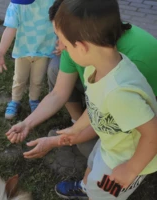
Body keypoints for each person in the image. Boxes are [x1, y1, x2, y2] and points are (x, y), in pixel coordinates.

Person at [5, 0, 157, 159]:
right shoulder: (96, 43)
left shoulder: (124, 78)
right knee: (55, 69)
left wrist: (59, 140)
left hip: (140, 119)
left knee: (93, 150)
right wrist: (27, 123)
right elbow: (59, 93)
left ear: (82, 45)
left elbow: (103, 116)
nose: (59, 45)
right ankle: (76, 123)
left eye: (61, 38)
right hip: (113, 107)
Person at [53, 0, 157, 199]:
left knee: (104, 194)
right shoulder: (95, 68)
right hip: (111, 144)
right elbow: (95, 105)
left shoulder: (120, 93)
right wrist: (76, 129)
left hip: (126, 159)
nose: (62, 48)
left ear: (81, 47)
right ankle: (86, 188)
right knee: (93, 167)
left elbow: (153, 134)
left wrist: (130, 169)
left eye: (64, 43)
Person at [0, 0, 57, 120]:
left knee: (37, 80)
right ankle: (15, 101)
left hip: (43, 49)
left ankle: (34, 100)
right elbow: (10, 28)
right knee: (19, 79)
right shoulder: (16, 4)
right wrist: (0, 52)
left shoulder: (52, 2)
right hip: (23, 50)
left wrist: (61, 40)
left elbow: (59, 22)